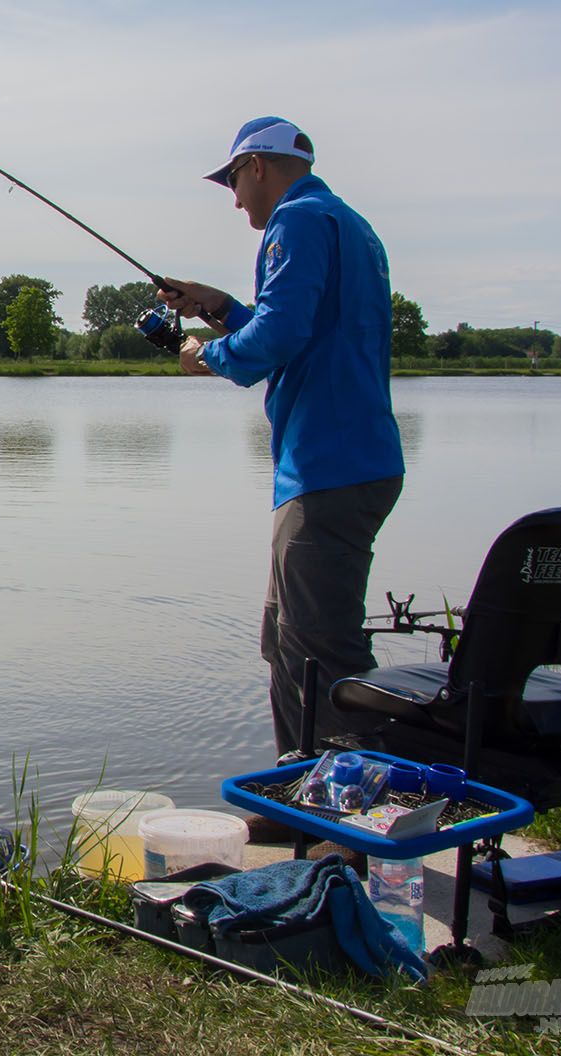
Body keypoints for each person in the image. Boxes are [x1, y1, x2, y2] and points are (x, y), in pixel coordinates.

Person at [159, 116, 404, 757]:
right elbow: (305, 328)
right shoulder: (348, 224)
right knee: (287, 638)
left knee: (321, 644)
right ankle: (292, 792)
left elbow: (279, 338)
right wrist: (221, 306)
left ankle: (351, 808)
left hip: (327, 464)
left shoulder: (294, 222)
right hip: (352, 457)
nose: (235, 197)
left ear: (259, 166)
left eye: (234, 180)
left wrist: (204, 355)